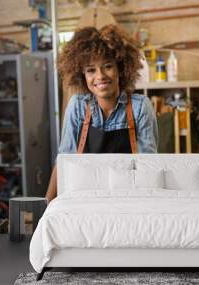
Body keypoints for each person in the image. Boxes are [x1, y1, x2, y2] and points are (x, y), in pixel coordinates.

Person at [45, 24, 158, 202]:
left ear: (120, 68)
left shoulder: (140, 107)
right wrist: (46, 206)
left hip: (129, 200)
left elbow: (149, 166)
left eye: (107, 66)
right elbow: (63, 161)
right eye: (91, 70)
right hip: (86, 200)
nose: (100, 76)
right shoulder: (77, 107)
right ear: (82, 75)